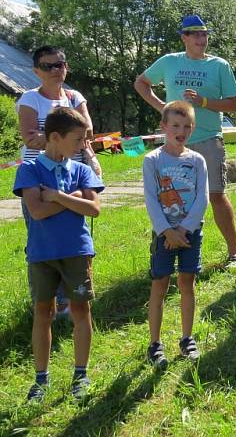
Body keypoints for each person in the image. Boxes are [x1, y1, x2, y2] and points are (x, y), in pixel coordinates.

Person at [134, 15, 236, 267]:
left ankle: (234, 252)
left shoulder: (219, 65)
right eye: (195, 34)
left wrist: (203, 102)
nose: (201, 39)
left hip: (207, 139)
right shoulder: (169, 62)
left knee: (215, 195)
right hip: (175, 144)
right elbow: (141, 83)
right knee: (171, 197)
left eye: (204, 34)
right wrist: (163, 108)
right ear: (184, 37)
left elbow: (234, 104)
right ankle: (167, 250)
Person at [13, 107, 104, 401]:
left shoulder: (81, 170)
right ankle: (40, 380)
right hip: (42, 254)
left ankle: (81, 374)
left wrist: (57, 196)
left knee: (81, 310)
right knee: (43, 312)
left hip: (77, 251)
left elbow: (94, 208)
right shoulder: (29, 170)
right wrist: (73, 199)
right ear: (55, 137)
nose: (82, 146)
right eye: (78, 140)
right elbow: (37, 212)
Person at [16, 45, 101, 317]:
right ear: (37, 71)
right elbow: (30, 137)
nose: (56, 70)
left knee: (74, 234)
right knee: (40, 230)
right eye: (49, 65)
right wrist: (61, 136)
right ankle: (45, 299)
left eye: (60, 64)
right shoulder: (30, 98)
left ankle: (71, 298)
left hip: (74, 169)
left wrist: (62, 137)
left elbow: (87, 131)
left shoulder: (76, 96)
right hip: (38, 174)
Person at [143, 101, 208, 368]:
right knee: (160, 284)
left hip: (190, 233)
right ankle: (155, 344)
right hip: (163, 234)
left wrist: (183, 229)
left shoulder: (197, 161)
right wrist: (167, 231)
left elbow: (202, 198)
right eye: (175, 126)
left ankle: (187, 338)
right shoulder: (153, 161)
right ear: (164, 126)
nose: (181, 131)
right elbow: (150, 199)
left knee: (186, 283)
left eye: (187, 126)